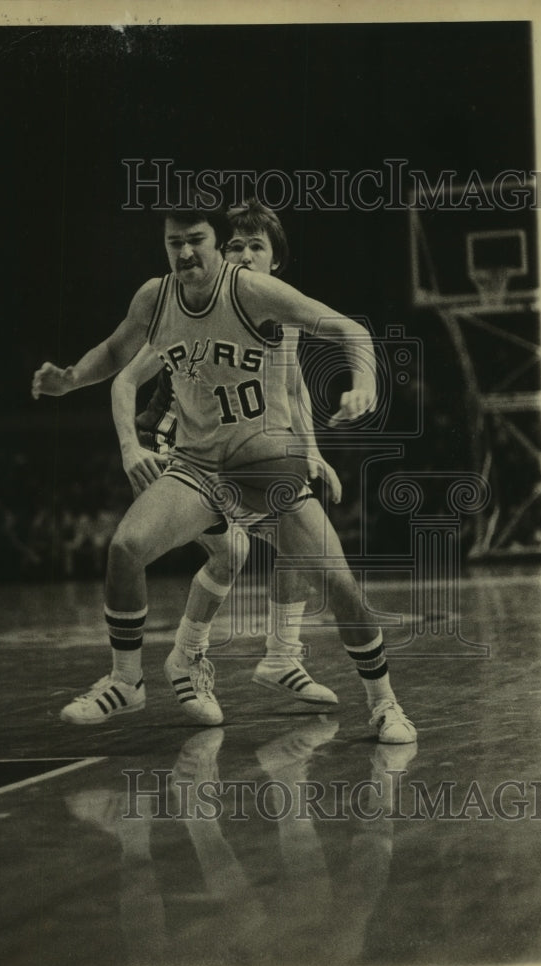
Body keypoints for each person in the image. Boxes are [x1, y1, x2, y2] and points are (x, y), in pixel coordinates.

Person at [32, 199, 416, 744]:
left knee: (340, 586)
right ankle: (126, 680)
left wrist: (365, 386)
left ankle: (383, 704)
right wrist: (70, 379)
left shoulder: (251, 291)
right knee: (125, 548)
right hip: (199, 466)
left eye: (196, 240)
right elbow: (117, 351)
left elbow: (350, 332)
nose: (185, 252)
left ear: (216, 243)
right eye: (174, 243)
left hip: (265, 468)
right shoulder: (156, 296)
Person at [111, 200, 340, 709]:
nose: (243, 254)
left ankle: (279, 655)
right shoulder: (201, 302)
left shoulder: (278, 309)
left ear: (275, 260)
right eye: (234, 245)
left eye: (255, 247)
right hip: (175, 445)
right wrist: (131, 447)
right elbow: (126, 374)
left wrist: (312, 451)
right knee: (236, 551)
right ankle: (183, 659)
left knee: (293, 525)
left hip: (232, 453)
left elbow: (292, 386)